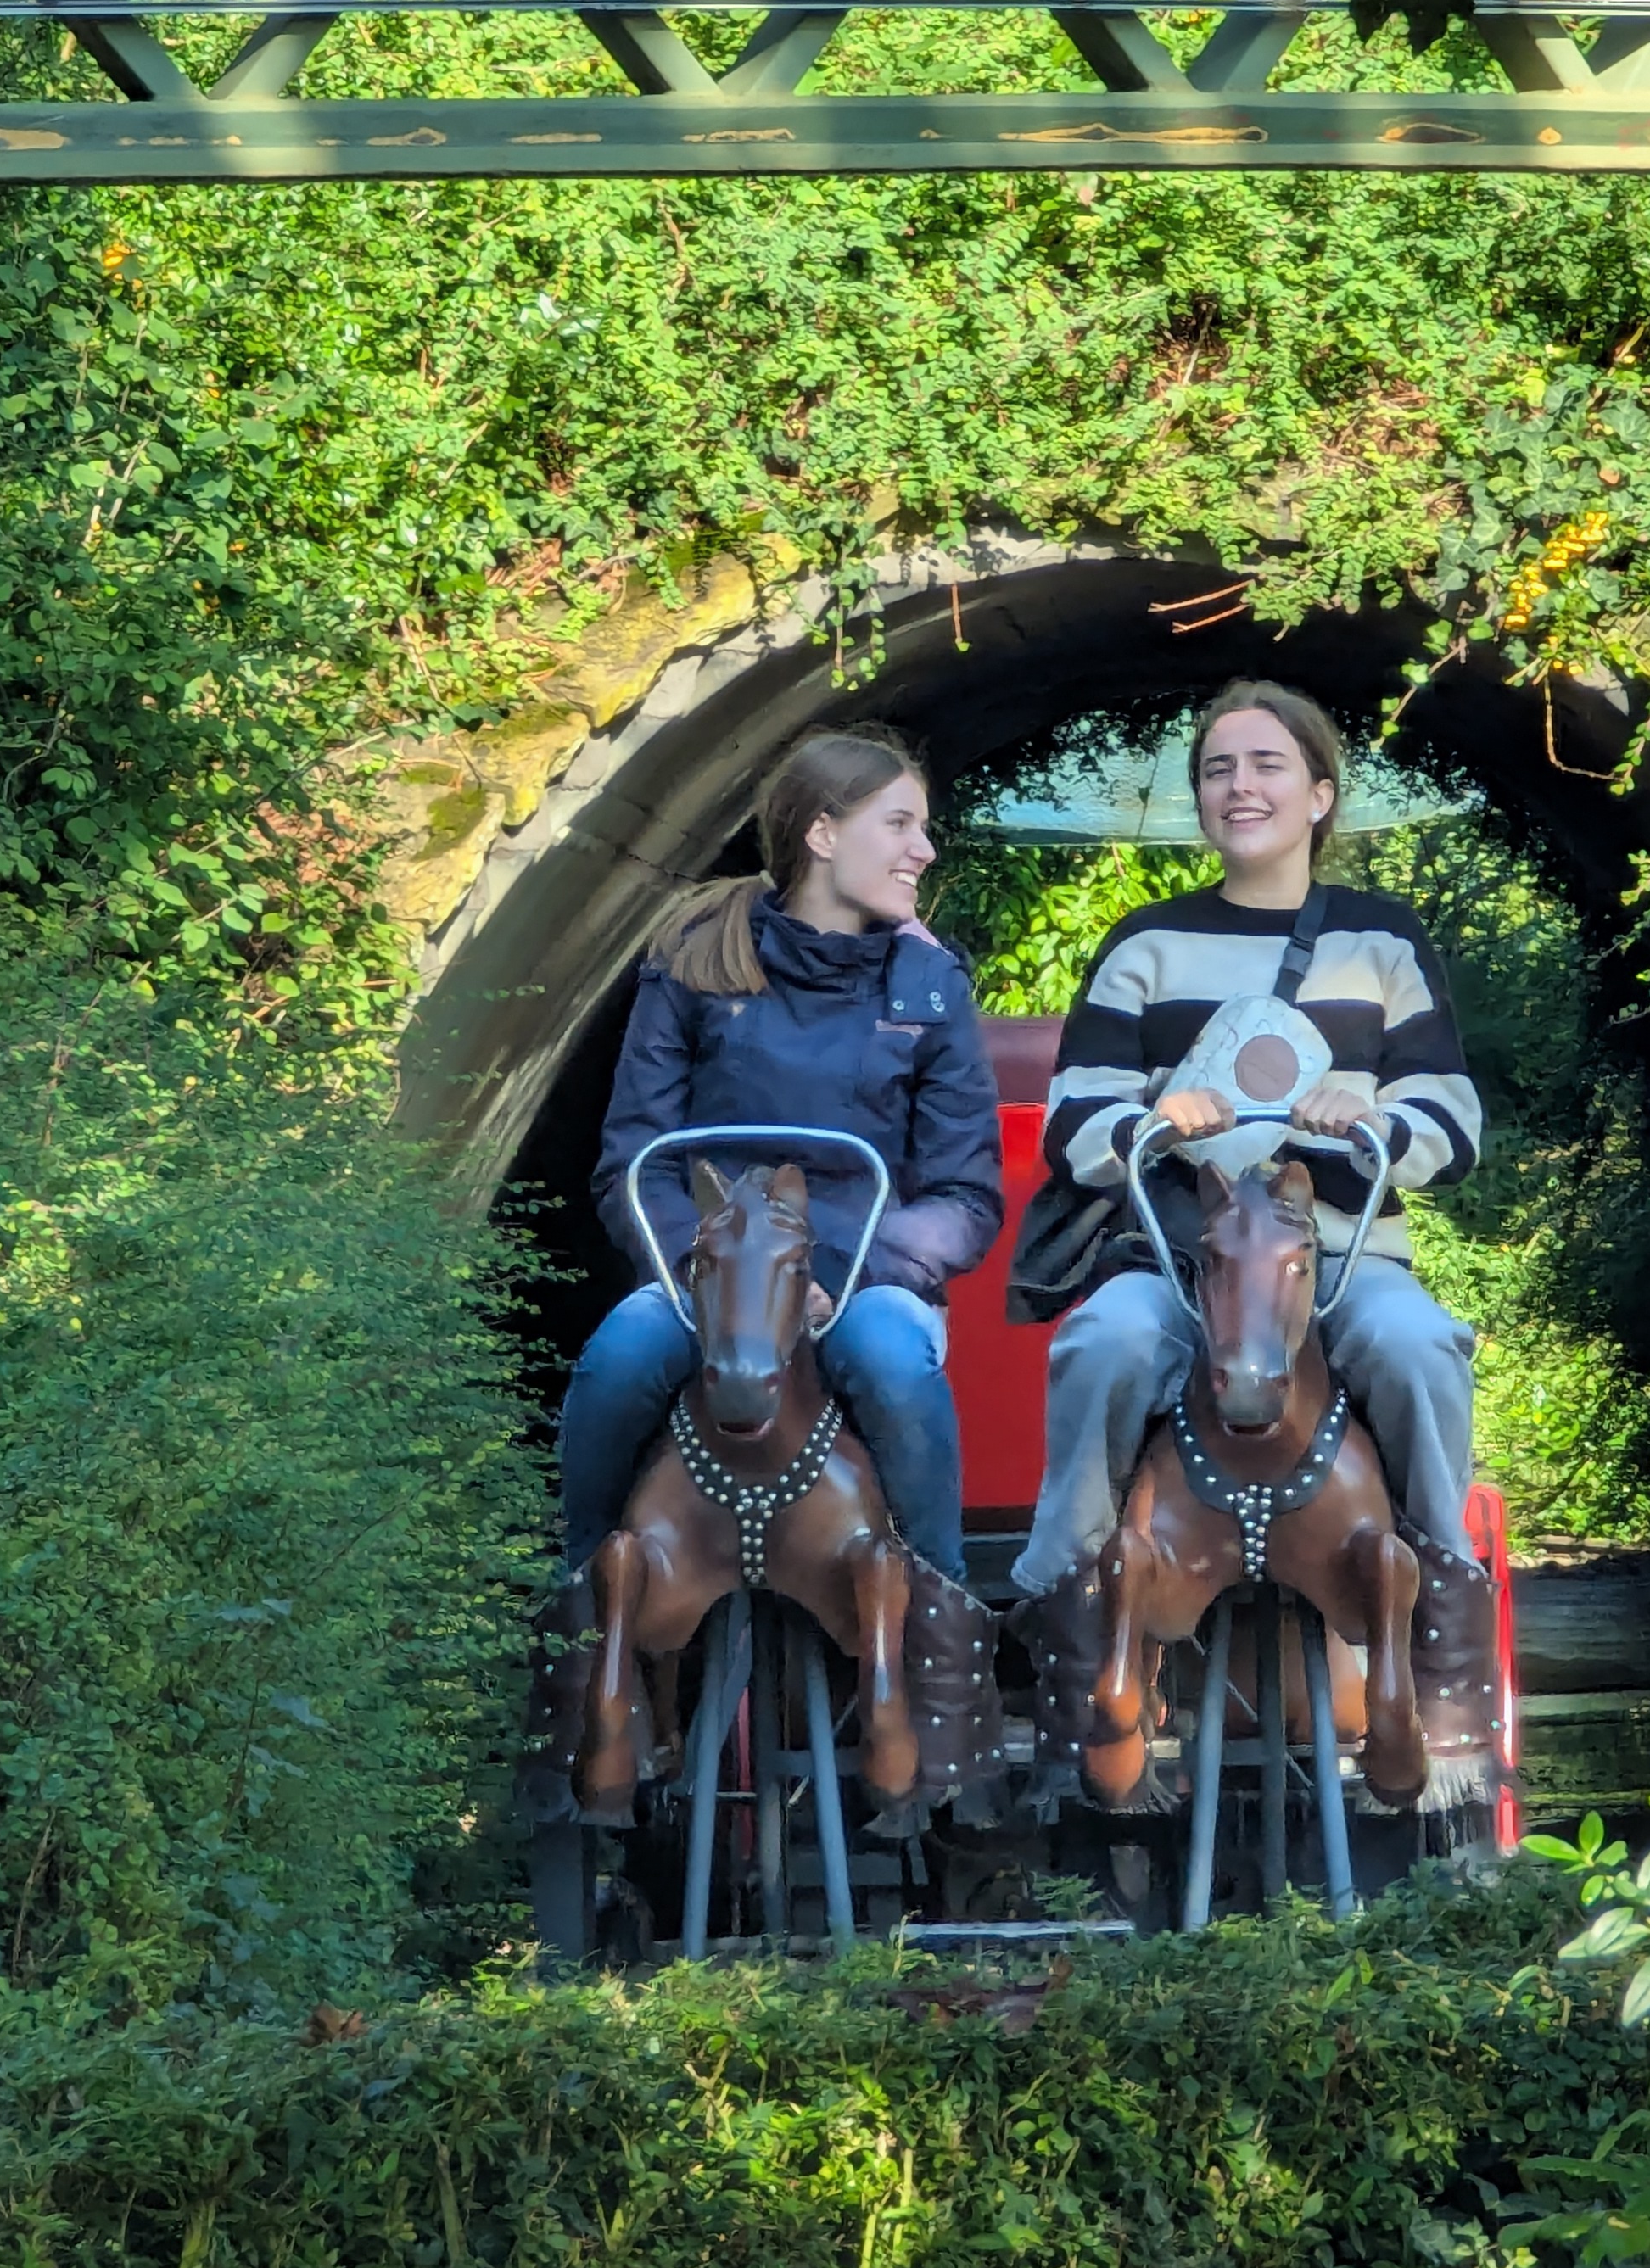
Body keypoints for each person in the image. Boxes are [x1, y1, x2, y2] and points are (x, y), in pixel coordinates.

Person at [1013, 682, 1485, 1634]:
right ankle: (1069, 1592)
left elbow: (1449, 1118)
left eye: (1268, 765)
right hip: (1181, 1259)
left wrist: (1370, 1122)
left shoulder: (1383, 941)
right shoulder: (1144, 944)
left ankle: (1442, 1593)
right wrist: (1154, 1121)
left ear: (1319, 795)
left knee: (1417, 1346)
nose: (1241, 787)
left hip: (1341, 1256)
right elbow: (1075, 1121)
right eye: (1218, 770)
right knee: (1105, 1341)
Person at [558, 727, 1001, 1584]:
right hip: (711, 1270)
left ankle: (938, 1606)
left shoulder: (930, 984)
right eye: (900, 825)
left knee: (892, 1364)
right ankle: (585, 1596)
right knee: (619, 1357)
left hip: (862, 1275)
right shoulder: (694, 961)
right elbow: (635, 1161)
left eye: (922, 828)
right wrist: (703, 1267)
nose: (925, 850)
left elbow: (966, 1196)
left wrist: (833, 1273)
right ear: (823, 834)